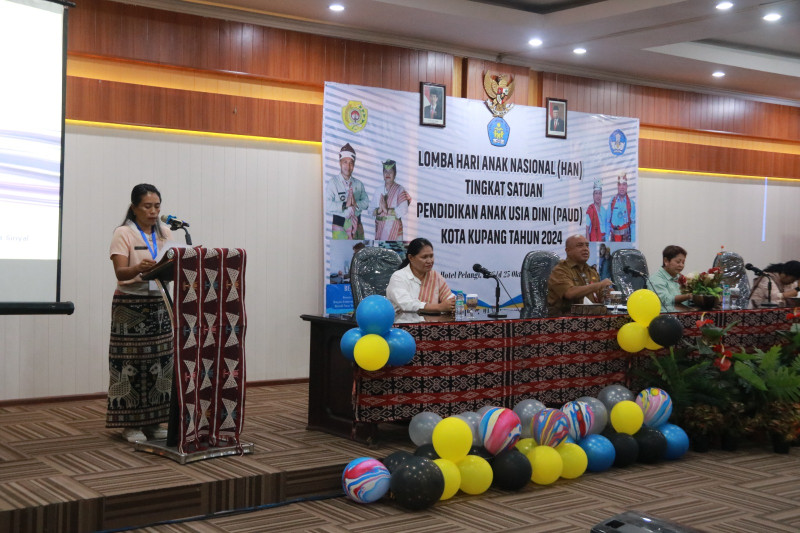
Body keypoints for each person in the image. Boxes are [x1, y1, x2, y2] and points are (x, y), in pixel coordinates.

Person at [107, 184, 174, 443]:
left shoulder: (166, 232)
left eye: (157, 206)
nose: (153, 211)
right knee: (129, 365)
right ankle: (130, 424)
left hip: (159, 304)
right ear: (134, 207)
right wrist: (138, 269)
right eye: (147, 206)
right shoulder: (123, 233)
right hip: (130, 306)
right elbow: (120, 273)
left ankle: (155, 422)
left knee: (160, 365)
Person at [547, 234, 613, 316]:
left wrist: (607, 295)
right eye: (580, 246)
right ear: (568, 250)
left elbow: (598, 298)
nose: (585, 249)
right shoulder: (560, 270)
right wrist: (599, 285)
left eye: (587, 246)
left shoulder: (591, 271)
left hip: (592, 317)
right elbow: (569, 293)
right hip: (565, 320)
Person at [386, 237, 455, 314]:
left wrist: (453, 305)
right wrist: (439, 307)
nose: (429, 261)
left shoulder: (435, 276)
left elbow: (450, 299)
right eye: (424, 257)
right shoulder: (399, 277)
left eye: (431, 256)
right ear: (411, 258)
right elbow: (407, 304)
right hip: (403, 323)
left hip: (431, 323)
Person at [326, 143, 369, 239]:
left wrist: (355, 204)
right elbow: (327, 205)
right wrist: (345, 204)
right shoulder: (333, 183)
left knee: (359, 252)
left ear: (354, 165)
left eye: (351, 163)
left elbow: (366, 203)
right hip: (339, 226)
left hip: (358, 226)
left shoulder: (359, 184)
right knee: (341, 253)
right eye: (345, 162)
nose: (348, 166)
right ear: (340, 163)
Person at [371, 160, 411, 241]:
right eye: (385, 171)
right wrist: (379, 210)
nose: (388, 174)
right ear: (383, 173)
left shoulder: (400, 189)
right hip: (380, 229)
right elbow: (370, 210)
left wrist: (386, 210)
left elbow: (404, 210)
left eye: (391, 172)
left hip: (394, 229)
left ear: (395, 173)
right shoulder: (378, 190)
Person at [650, 245, 694, 312]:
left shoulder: (681, 277)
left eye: (683, 262)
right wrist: (688, 296)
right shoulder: (655, 279)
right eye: (678, 262)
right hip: (665, 318)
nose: (681, 265)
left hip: (684, 315)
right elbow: (665, 300)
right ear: (666, 261)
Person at [608, 173, 636, 241]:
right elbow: (608, 221)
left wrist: (633, 241)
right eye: (620, 185)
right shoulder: (612, 201)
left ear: (627, 186)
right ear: (617, 186)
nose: (622, 187)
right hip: (613, 238)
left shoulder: (631, 203)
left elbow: (633, 225)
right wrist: (607, 239)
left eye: (624, 184)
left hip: (626, 238)